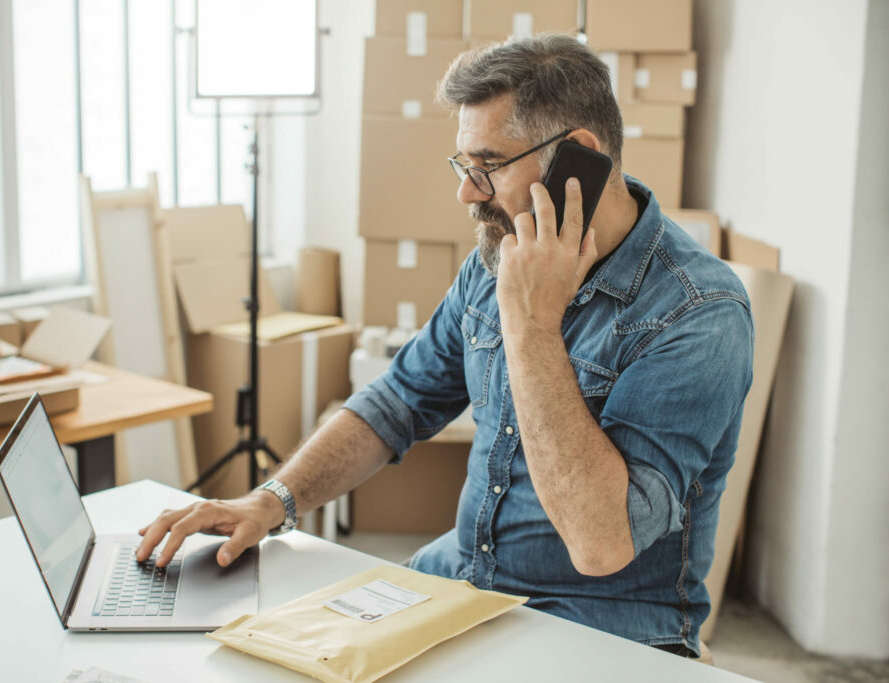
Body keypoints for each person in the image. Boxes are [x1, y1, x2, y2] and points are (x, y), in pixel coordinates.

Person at [136, 34, 753, 658]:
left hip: (604, 619)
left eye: (488, 165)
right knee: (262, 654)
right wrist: (271, 502)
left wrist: (533, 327)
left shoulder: (697, 313)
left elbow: (602, 544)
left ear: (579, 159)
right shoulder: (496, 259)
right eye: (463, 166)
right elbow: (399, 401)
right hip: (461, 580)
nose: (467, 193)